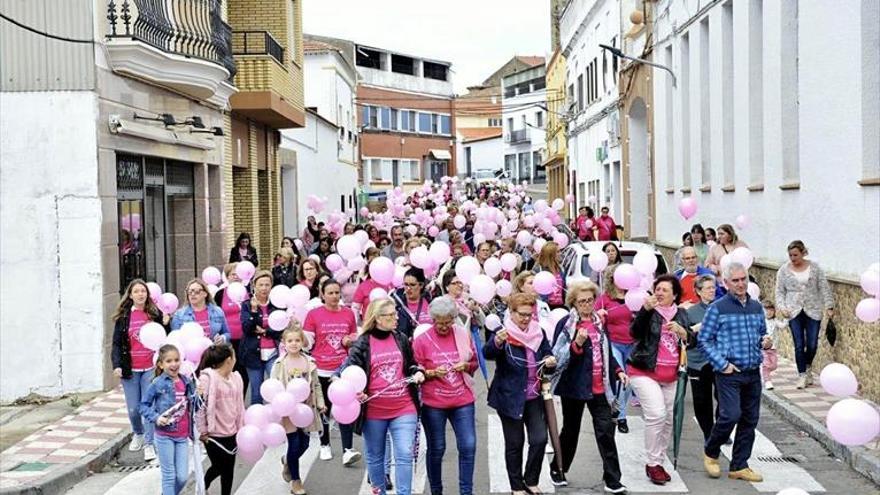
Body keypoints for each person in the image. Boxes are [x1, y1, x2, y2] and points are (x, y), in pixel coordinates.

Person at [549, 281, 628, 493]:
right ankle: (558, 468)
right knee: (571, 431)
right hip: (574, 387)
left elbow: (607, 352)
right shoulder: (567, 324)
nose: (586, 304)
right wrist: (577, 344)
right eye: (581, 301)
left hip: (600, 387)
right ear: (573, 302)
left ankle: (613, 479)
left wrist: (618, 371)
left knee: (605, 432)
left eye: (590, 300)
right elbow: (558, 357)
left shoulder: (600, 322)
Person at [698, 262, 772, 483]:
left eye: (743, 279)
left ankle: (739, 465)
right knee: (730, 415)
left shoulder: (756, 307)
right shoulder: (718, 307)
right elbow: (704, 339)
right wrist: (722, 364)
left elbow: (761, 334)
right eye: (736, 280)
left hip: (752, 371)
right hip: (729, 372)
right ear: (726, 283)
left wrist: (765, 342)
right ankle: (711, 451)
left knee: (750, 419)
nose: (741, 284)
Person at [344, 298, 425, 495]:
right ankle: (379, 491)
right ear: (378, 318)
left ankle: (404, 493)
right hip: (374, 410)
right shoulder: (363, 343)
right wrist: (357, 392)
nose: (396, 317)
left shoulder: (401, 338)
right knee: (375, 455)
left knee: (405, 453)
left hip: (404, 406)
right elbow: (349, 371)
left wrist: (417, 372)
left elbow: (411, 364)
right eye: (390, 315)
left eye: (395, 313)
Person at [484, 293, 557, 495]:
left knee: (540, 439)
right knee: (515, 444)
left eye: (530, 314)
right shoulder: (504, 332)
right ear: (512, 313)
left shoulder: (538, 331)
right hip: (509, 397)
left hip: (534, 396)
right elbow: (488, 353)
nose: (526, 319)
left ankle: (531, 480)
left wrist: (550, 360)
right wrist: (497, 342)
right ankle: (517, 486)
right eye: (522, 314)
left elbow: (547, 354)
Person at [627, 274, 694, 485]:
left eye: (665, 290)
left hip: (672, 376)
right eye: (657, 289)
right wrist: (645, 311)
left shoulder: (681, 314)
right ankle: (653, 463)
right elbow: (634, 332)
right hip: (644, 371)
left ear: (675, 294)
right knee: (656, 414)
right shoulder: (649, 312)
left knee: (668, 419)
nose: (659, 293)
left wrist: (684, 333)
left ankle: (658, 460)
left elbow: (692, 340)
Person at [412, 297, 479, 495]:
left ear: (453, 319)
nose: (443, 326)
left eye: (448, 321)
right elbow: (415, 370)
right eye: (439, 322)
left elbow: (474, 362)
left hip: (462, 399)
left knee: (468, 445)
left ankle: (466, 491)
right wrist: (431, 372)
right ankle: (436, 490)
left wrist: (465, 366)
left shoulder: (461, 334)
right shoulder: (422, 340)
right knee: (437, 448)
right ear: (432, 319)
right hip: (434, 403)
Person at [302, 279, 360, 464]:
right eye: (331, 293)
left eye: (337, 293)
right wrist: (300, 335)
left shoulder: (349, 313)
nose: (335, 296)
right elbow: (308, 342)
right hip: (321, 369)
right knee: (324, 409)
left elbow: (354, 335)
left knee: (344, 408)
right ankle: (325, 444)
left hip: (342, 369)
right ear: (323, 295)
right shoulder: (313, 314)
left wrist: (350, 339)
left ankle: (347, 449)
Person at [112, 279, 170, 462]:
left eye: (143, 291)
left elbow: (164, 335)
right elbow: (116, 343)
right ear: (130, 295)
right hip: (131, 369)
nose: (140, 294)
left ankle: (149, 444)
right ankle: (137, 432)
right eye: (136, 291)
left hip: (151, 368)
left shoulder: (154, 313)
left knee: (149, 407)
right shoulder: (123, 317)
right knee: (133, 410)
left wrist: (167, 322)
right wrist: (117, 365)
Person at [270, 325, 326, 495]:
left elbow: (316, 384)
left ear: (302, 342)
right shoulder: (279, 364)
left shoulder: (309, 362)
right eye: (290, 341)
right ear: (283, 343)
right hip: (288, 412)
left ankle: (287, 460)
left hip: (307, 410)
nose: (293, 344)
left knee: (305, 444)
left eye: (297, 340)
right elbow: (273, 386)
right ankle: (296, 480)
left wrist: (321, 402)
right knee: (294, 445)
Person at [774, 240, 834, 389]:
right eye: (790, 255)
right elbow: (779, 291)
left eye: (795, 255)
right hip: (793, 310)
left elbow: (824, 287)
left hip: (813, 309)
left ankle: (807, 367)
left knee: (812, 344)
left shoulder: (815, 268)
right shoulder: (783, 270)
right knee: (799, 344)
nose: (793, 258)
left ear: (803, 253)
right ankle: (802, 375)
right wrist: (782, 307)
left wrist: (829, 305)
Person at [140, 344, 196, 495]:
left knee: (183, 477)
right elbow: (143, 406)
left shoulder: (186, 382)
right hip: (164, 436)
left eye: (177, 360)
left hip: (182, 436)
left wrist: (199, 394)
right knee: (169, 476)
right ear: (161, 364)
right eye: (169, 361)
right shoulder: (157, 383)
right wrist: (156, 418)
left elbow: (194, 405)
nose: (174, 364)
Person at [195, 344, 244, 495]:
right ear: (229, 359)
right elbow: (199, 407)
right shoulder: (207, 379)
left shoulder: (236, 377)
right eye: (234, 356)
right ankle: (203, 486)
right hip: (213, 434)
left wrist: (242, 427)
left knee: (228, 470)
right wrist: (203, 431)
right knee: (219, 466)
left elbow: (240, 405)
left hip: (232, 431)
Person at [595, 266, 635, 434]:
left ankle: (619, 410)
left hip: (633, 344)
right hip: (614, 344)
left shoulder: (634, 296)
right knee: (620, 380)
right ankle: (621, 417)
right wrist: (600, 314)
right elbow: (594, 320)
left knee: (630, 382)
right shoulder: (605, 299)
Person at [685, 274, 720, 441]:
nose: (712, 291)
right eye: (708, 288)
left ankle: (720, 428)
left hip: (719, 361)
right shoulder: (690, 312)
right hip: (697, 362)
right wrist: (695, 329)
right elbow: (685, 338)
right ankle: (709, 433)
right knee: (701, 402)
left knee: (724, 398)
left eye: (713, 287)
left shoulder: (721, 308)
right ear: (698, 291)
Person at [240, 271, 281, 404]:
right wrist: (253, 310)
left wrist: (265, 332)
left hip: (273, 353)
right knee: (256, 392)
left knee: (276, 388)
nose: (264, 288)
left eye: (267, 285)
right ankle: (256, 421)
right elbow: (247, 328)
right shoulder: (246, 305)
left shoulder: (277, 304)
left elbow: (280, 330)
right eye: (261, 285)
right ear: (254, 286)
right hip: (253, 353)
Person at [214, 264, 249, 397]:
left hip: (245, 340)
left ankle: (241, 399)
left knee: (242, 372)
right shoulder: (220, 294)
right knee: (226, 371)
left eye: (238, 274)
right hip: (226, 341)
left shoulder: (248, 293)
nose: (235, 277)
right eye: (232, 274)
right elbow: (216, 315)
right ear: (227, 277)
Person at [171, 279, 230, 344]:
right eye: (190, 291)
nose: (193, 294)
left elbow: (227, 333)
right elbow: (175, 339)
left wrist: (223, 338)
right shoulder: (179, 315)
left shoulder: (217, 311)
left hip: (212, 351)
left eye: (197, 291)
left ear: (205, 294)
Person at [352, 247, 391, 322]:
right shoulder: (363, 285)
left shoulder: (389, 283)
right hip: (368, 325)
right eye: (371, 262)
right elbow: (355, 307)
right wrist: (356, 326)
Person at [393, 267, 432, 338]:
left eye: (412, 285)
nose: (408, 288)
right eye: (406, 284)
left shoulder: (430, 301)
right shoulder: (397, 305)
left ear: (421, 285)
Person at [532, 241, 567, 310]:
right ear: (551, 254)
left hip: (560, 306)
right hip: (545, 306)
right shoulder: (539, 269)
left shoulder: (561, 269)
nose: (561, 253)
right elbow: (534, 289)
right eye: (558, 252)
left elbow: (563, 288)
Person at [761, 300, 784, 390]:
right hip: (763, 348)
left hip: (773, 348)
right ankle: (767, 381)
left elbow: (782, 326)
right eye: (766, 310)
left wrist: (787, 318)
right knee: (766, 364)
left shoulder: (775, 321)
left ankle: (763, 371)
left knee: (774, 365)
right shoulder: (762, 322)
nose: (769, 312)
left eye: (771, 310)